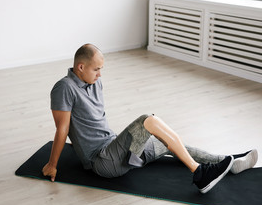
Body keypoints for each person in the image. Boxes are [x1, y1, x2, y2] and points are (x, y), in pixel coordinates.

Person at [42, 43, 258, 193]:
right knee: (148, 119)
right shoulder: (64, 88)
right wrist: (52, 164)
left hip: (115, 148)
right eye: (96, 69)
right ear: (81, 67)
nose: (100, 74)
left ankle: (225, 162)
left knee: (168, 142)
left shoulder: (95, 82)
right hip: (103, 162)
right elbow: (62, 129)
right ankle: (200, 174)